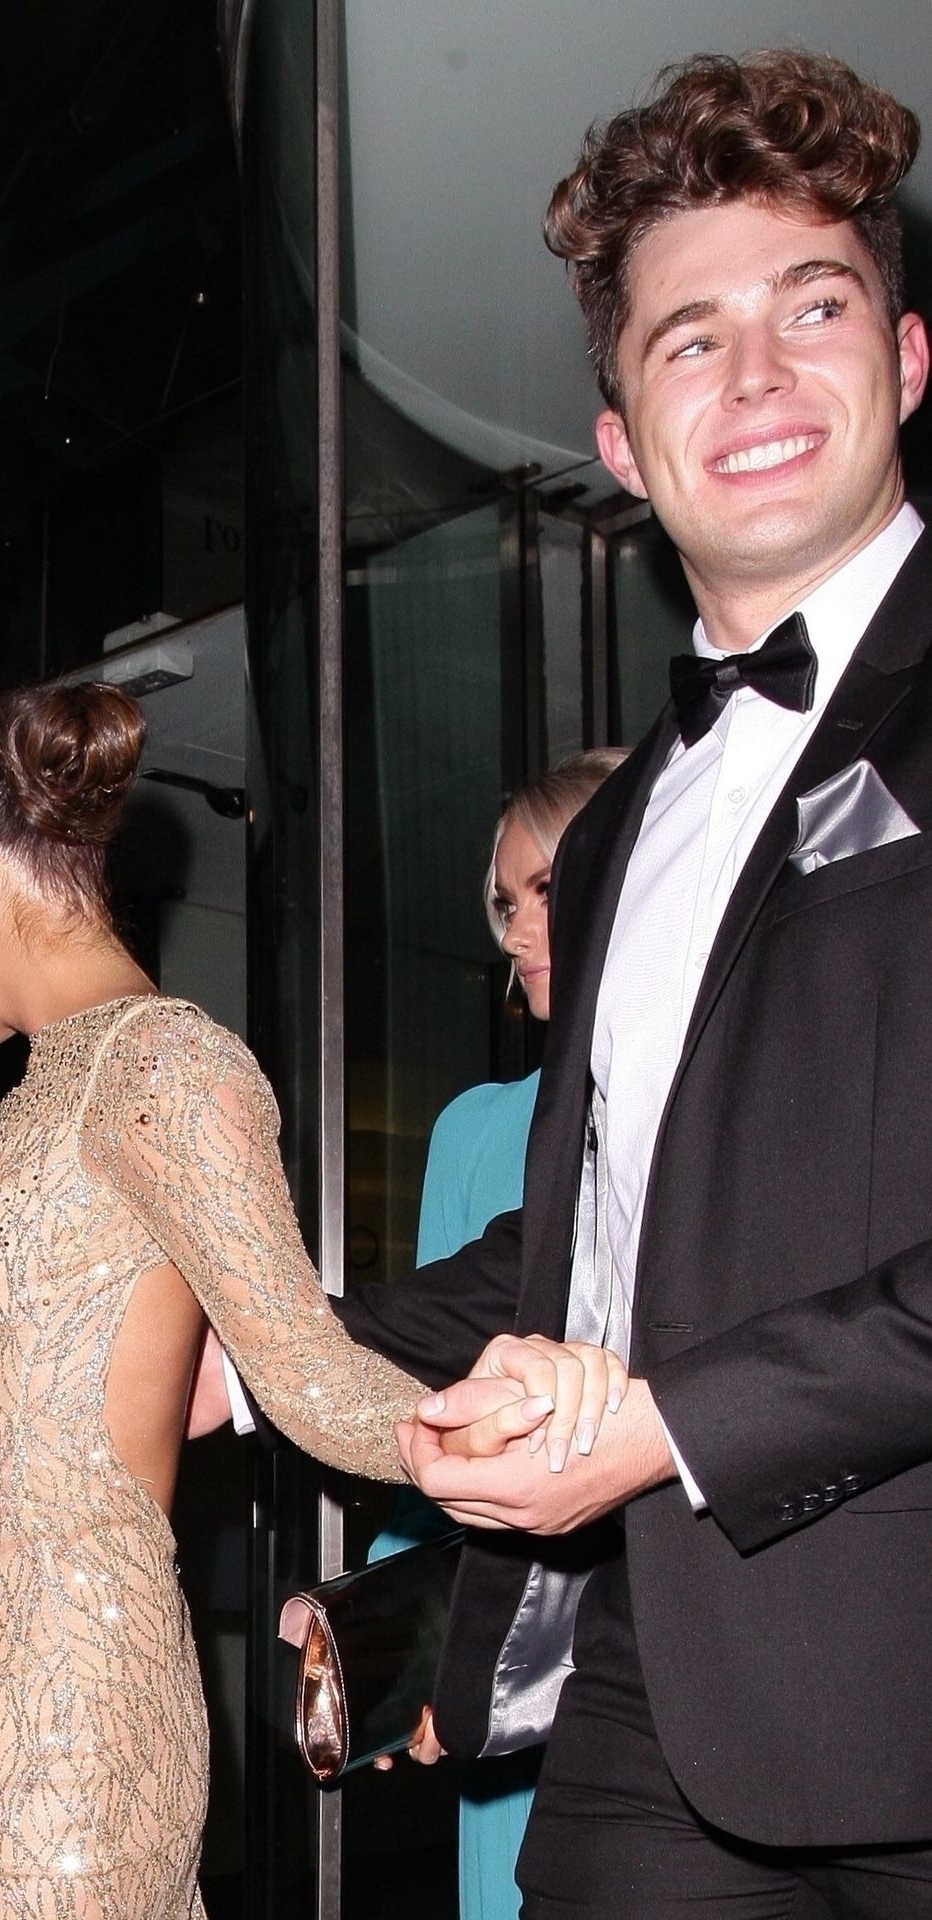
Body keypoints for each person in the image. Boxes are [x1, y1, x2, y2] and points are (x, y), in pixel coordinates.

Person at [337, 48, 932, 1918]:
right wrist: (261, 1356)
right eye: (690, 339)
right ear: (618, 442)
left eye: (810, 308)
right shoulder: (611, 836)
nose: (753, 378)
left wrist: (664, 1426)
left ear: (909, 358)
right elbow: (589, 1237)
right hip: (651, 1693)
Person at [0, 679, 438, 1920]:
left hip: (77, 1723)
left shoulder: (163, 1066)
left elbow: (313, 1379)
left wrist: (563, 1441)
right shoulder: (47, 1091)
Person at [370, 750, 625, 1920]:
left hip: (656, 1625)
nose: (514, 932)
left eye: (543, 893)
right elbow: (417, 1391)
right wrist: (409, 1628)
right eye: (503, 901)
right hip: (503, 1612)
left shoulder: (701, 1105)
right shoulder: (473, 1129)